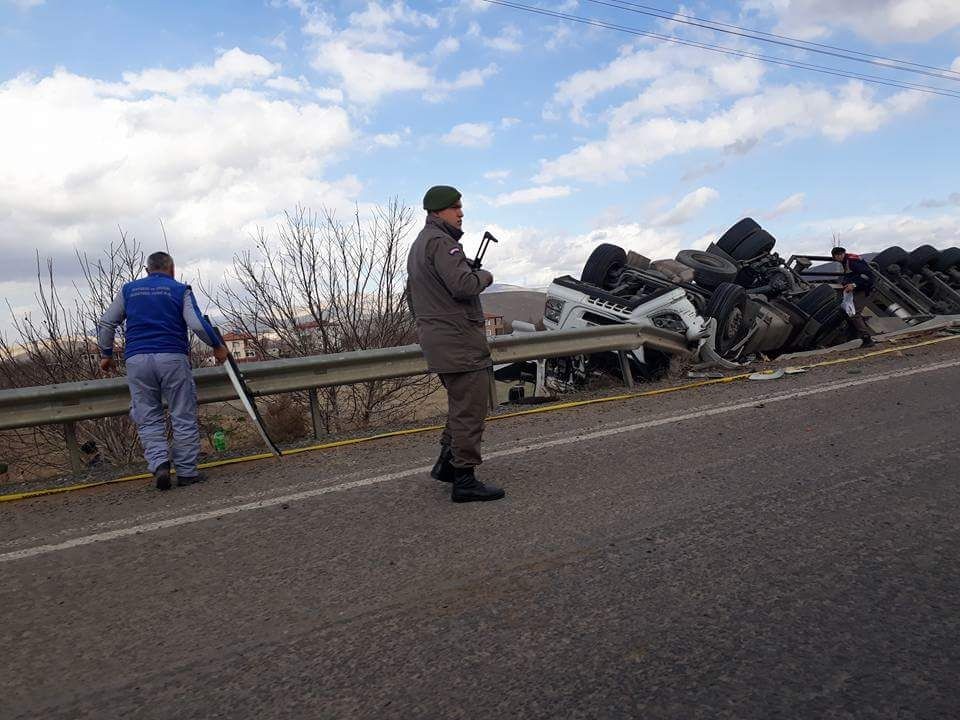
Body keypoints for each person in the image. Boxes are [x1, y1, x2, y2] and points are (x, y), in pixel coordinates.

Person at [406, 185, 505, 503]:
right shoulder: (442, 242)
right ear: (437, 212)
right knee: (470, 410)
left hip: (439, 340)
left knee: (461, 406)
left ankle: (447, 465)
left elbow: (419, 295)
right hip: (459, 341)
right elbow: (463, 286)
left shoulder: (420, 244)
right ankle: (464, 479)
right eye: (455, 208)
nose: (461, 213)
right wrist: (484, 277)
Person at [98, 251, 228, 490]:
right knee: (182, 414)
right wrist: (217, 346)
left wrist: (106, 354)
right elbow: (198, 324)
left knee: (147, 416)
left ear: (147, 270)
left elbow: (107, 322)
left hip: (137, 360)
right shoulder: (180, 290)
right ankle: (187, 472)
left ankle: (159, 464)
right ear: (172, 269)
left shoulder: (129, 290)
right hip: (172, 357)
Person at [831, 246, 875, 347]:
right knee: (846, 310)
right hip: (858, 289)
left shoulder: (851, 261)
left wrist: (854, 284)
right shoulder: (847, 261)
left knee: (854, 313)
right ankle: (854, 334)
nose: (836, 260)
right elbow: (852, 275)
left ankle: (866, 338)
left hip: (864, 290)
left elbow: (867, 276)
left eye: (835, 258)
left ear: (838, 255)